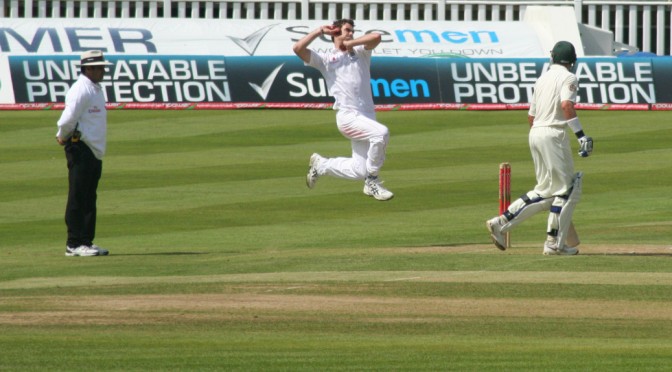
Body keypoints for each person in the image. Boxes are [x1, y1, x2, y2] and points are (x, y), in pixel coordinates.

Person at [486, 41, 593, 255]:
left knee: (545, 191)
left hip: (535, 132)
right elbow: (566, 106)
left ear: (553, 57)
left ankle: (500, 222)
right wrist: (581, 135)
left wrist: (540, 135)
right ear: (573, 61)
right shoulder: (568, 77)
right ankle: (554, 244)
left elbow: (531, 116)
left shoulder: (542, 78)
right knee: (567, 190)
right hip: (554, 133)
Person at [293, 19, 394, 201]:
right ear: (335, 33)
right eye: (347, 30)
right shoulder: (325, 60)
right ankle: (372, 181)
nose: (351, 33)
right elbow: (298, 49)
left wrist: (351, 44)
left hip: (366, 117)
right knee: (381, 134)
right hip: (348, 116)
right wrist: (319, 31)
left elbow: (377, 37)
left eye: (352, 30)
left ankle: (322, 165)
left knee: (358, 170)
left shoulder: (361, 52)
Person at [56, 50, 112, 257]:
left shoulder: (95, 88)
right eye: (98, 68)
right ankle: (73, 243)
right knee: (78, 195)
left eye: (103, 67)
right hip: (80, 146)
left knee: (89, 196)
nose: (102, 71)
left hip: (94, 149)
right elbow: (67, 118)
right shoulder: (81, 89)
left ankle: (86, 241)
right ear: (87, 68)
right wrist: (62, 135)